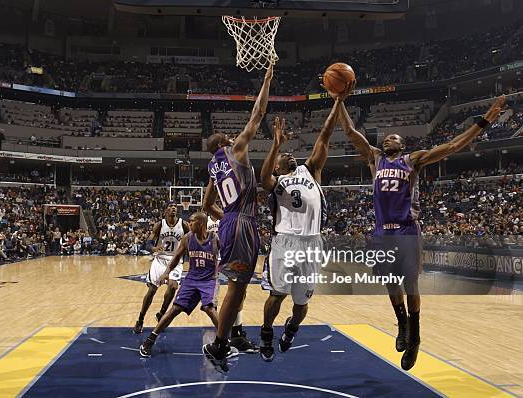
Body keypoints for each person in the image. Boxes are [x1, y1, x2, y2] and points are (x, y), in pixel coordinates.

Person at [338, 94, 506, 370]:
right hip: (382, 233)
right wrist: (339, 100)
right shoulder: (374, 159)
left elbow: (453, 145)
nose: (388, 139)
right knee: (391, 285)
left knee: (410, 285)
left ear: (403, 145)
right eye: (386, 137)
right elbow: (349, 131)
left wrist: (485, 120)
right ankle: (402, 324)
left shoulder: (412, 160)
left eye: (393, 137)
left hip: (406, 230)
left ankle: (414, 337)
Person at [258, 84, 349, 361]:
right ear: (277, 165)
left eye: (288, 153)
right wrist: (275, 146)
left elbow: (325, 134)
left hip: (312, 243)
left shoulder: (311, 170)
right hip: (285, 241)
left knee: (301, 302)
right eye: (284, 156)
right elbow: (263, 179)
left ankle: (292, 328)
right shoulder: (276, 180)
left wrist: (338, 101)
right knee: (277, 294)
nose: (290, 155)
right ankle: (266, 333)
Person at [201, 64, 273, 372]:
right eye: (229, 137)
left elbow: (206, 206)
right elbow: (257, 115)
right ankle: (220, 344)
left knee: (239, 286)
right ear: (223, 144)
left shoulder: (212, 170)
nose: (234, 137)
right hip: (241, 223)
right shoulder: (235, 151)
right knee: (235, 288)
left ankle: (228, 339)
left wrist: (225, 217)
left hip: (233, 221)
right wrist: (267, 77)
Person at [139, 212, 221, 357]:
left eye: (192, 221)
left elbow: (227, 254)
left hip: (209, 280)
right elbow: (177, 257)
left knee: (209, 308)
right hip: (192, 279)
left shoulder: (215, 239)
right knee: (174, 309)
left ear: (201, 223)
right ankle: (150, 340)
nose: (189, 224)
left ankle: (224, 343)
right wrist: (166, 272)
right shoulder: (187, 238)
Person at [133, 202, 189, 334]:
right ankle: (140, 319)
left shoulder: (184, 224)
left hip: (175, 260)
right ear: (166, 210)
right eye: (171, 206)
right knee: (152, 290)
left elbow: (192, 239)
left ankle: (162, 313)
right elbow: (148, 243)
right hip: (160, 259)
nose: (174, 208)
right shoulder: (160, 224)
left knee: (173, 286)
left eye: (175, 206)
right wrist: (153, 248)